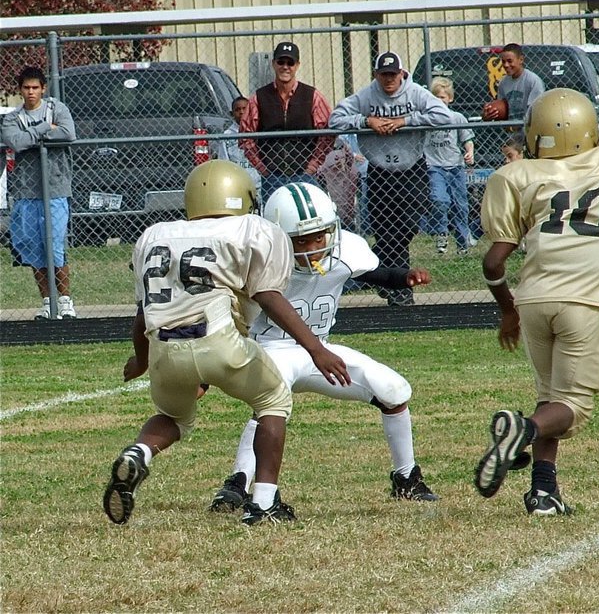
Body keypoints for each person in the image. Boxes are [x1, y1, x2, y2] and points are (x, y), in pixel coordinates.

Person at [102, 161, 350, 527]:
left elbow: (142, 316)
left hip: (164, 349)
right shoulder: (252, 228)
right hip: (218, 339)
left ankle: (140, 452)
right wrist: (316, 349)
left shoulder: (155, 235)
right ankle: (264, 502)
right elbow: (268, 296)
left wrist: (140, 361)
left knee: (175, 416)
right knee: (274, 399)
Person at [473, 88, 599, 515]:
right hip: (585, 300)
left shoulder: (521, 176)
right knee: (572, 407)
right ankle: (522, 431)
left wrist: (507, 307)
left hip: (533, 299)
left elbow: (493, 262)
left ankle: (544, 492)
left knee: (551, 396)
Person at [209, 181, 438, 512]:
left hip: (320, 350)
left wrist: (404, 277)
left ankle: (407, 478)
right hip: (270, 349)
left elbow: (375, 273)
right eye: (301, 240)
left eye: (320, 236)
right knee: (271, 403)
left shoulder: (344, 251)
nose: (314, 247)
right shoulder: (257, 259)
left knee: (394, 390)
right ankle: (239, 482)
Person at [328, 51, 451, 306]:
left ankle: (380, 274)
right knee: (386, 232)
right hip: (380, 171)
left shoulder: (415, 92)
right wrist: (366, 121)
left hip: (412, 169)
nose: (389, 80)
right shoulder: (366, 95)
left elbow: (443, 116)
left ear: (402, 74)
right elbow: (335, 119)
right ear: (376, 75)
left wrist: (404, 121)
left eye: (393, 74)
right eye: (384, 75)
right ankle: (400, 289)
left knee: (407, 226)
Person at [1, 66, 77, 321]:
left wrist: (32, 135)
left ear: (43, 88)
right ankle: (47, 301)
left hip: (55, 189)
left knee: (54, 244)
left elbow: (68, 133)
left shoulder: (57, 109)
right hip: (26, 191)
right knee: (33, 247)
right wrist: (44, 129)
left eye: (35, 88)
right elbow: (16, 141)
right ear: (20, 90)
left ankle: (65, 302)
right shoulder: (14, 118)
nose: (31, 92)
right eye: (26, 88)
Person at [240, 41, 333, 203]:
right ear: (274, 64)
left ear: (297, 65)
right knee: (275, 222)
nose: (285, 67)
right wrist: (262, 168)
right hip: (272, 176)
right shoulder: (259, 98)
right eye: (281, 62)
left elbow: (328, 133)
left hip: (304, 174)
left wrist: (313, 165)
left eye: (290, 62)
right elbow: (245, 136)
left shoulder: (312, 96)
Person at [424, 77, 475, 255]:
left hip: (455, 166)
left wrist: (470, 151)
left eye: (443, 98)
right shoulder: (427, 119)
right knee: (439, 200)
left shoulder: (457, 118)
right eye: (436, 97)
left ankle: (462, 244)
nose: (440, 101)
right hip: (434, 166)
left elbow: (467, 139)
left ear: (450, 99)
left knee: (460, 205)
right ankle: (441, 233)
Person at [482, 43, 546, 122]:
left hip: (529, 131)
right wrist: (490, 113)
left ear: (521, 59)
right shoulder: (503, 83)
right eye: (503, 61)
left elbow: (536, 112)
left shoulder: (533, 81)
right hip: (511, 132)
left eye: (509, 61)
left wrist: (520, 125)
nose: (506, 65)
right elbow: (502, 109)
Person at [217, 95, 261, 187]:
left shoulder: (259, 131)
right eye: (237, 110)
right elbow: (224, 160)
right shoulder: (227, 136)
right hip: (237, 183)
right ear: (232, 113)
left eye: (245, 109)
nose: (241, 112)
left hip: (258, 182)